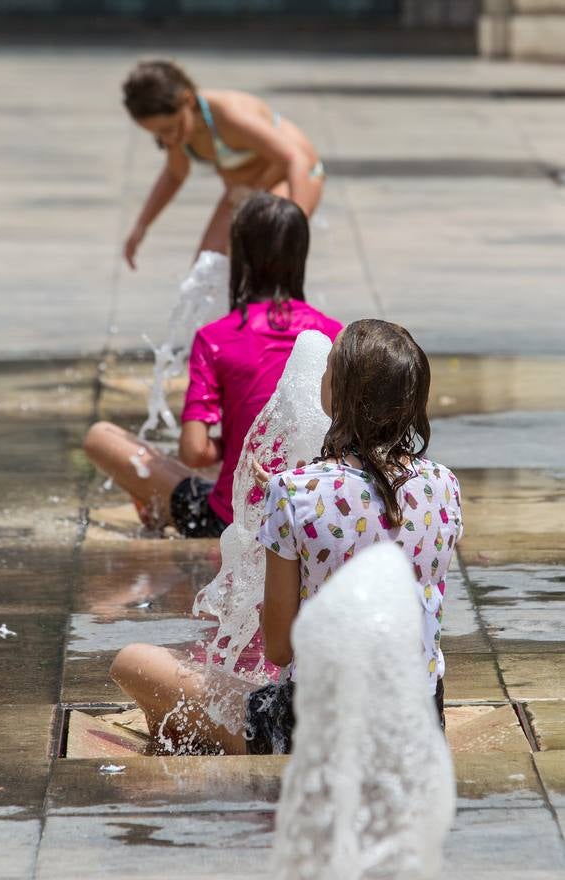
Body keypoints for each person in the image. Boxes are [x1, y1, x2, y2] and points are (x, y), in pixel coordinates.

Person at [109, 319, 463, 755]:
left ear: (341, 393)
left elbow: (278, 647)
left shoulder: (295, 493)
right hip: (419, 723)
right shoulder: (444, 485)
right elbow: (376, 522)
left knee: (135, 663)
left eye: (329, 367)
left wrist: (282, 514)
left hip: (314, 731)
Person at [84, 192, 341, 538]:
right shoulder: (333, 333)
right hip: (315, 512)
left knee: (100, 437)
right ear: (301, 256)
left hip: (230, 521)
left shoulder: (216, 337)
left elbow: (193, 452)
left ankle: (156, 509)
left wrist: (242, 440)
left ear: (240, 256)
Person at [122, 59, 325, 266]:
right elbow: (175, 174)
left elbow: (296, 159)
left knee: (261, 256)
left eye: (167, 129)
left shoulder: (230, 116)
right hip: (244, 193)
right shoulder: (179, 131)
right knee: (207, 272)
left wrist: (296, 221)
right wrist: (141, 226)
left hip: (291, 177)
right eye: (156, 134)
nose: (166, 140)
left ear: (188, 100)